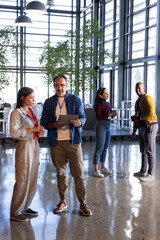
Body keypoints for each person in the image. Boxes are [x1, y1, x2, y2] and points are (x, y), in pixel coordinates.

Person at [40, 74, 92, 216]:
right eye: (57, 85)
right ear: (54, 86)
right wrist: (53, 124)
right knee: (61, 174)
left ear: (67, 86)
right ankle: (63, 201)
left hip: (73, 142)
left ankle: (82, 203)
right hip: (56, 143)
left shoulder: (75, 100)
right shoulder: (49, 102)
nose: (60, 88)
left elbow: (82, 116)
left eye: (62, 85)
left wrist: (79, 122)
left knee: (79, 174)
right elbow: (43, 122)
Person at [10, 87, 45, 222]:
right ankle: (15, 211)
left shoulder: (31, 111)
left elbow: (34, 129)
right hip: (24, 146)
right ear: (22, 98)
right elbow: (14, 133)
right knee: (23, 178)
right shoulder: (16, 113)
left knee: (32, 178)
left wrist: (38, 131)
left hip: (35, 145)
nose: (33, 100)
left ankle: (25, 207)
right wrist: (32, 129)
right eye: (31, 98)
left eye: (34, 98)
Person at [131, 82, 158, 182]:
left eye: (139, 88)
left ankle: (151, 174)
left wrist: (138, 118)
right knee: (143, 149)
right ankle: (143, 171)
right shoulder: (138, 102)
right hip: (142, 127)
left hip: (151, 126)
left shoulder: (148, 99)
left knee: (150, 150)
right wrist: (134, 131)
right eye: (136, 88)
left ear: (143, 88)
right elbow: (137, 117)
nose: (137, 90)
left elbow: (151, 114)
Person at [93, 87, 116, 178]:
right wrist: (108, 115)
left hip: (108, 126)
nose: (107, 95)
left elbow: (109, 115)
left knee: (105, 147)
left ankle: (103, 167)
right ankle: (96, 170)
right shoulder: (98, 105)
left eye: (107, 93)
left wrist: (112, 115)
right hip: (101, 126)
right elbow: (99, 117)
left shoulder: (107, 104)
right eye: (105, 93)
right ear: (100, 95)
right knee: (99, 148)